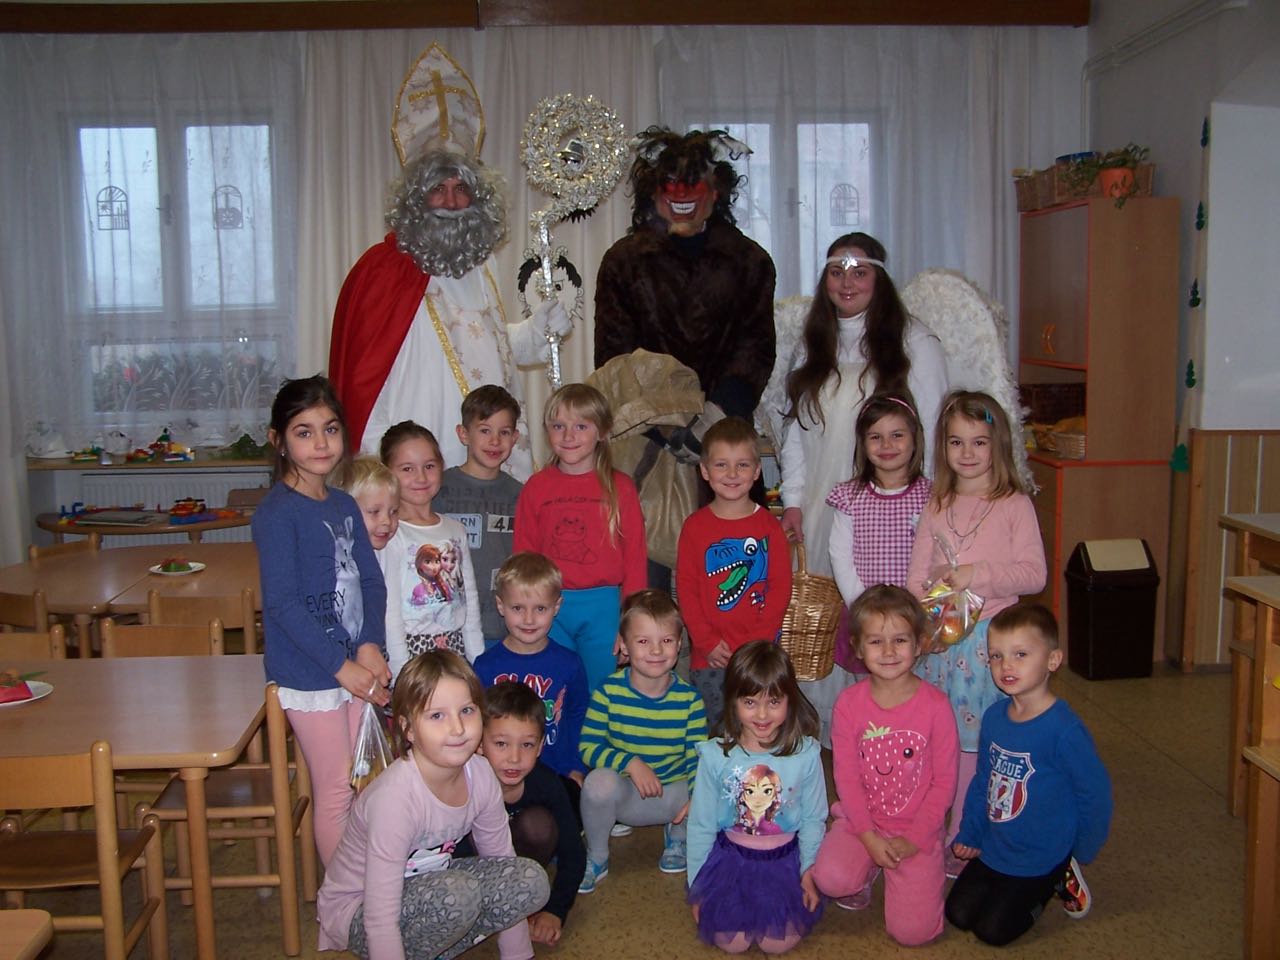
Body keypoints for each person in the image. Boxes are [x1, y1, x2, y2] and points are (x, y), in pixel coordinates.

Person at [328, 45, 570, 477]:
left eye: (462, 189)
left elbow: (487, 345)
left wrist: (535, 331)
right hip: (417, 442)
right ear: (415, 199)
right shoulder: (382, 270)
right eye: (438, 189)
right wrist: (372, 457)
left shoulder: (483, 266)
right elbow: (366, 377)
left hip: (486, 443)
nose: (452, 202)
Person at [316, 651, 549, 960]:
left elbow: (502, 861)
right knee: (458, 895)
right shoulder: (395, 800)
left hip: (430, 888)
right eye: (437, 716)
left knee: (528, 880)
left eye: (466, 710)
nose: (457, 728)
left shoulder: (481, 774)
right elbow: (380, 916)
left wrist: (518, 954)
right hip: (359, 910)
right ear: (408, 729)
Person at [252, 376, 390, 868]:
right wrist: (341, 666)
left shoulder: (344, 504)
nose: (321, 443)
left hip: (355, 666)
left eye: (330, 429)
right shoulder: (276, 514)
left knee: (366, 781)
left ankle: (371, 882)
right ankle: (343, 901)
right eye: (304, 432)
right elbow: (283, 605)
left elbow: (371, 583)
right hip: (310, 675)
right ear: (279, 440)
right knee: (335, 789)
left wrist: (370, 644)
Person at [907, 390, 1047, 874]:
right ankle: (934, 822)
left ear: (998, 444)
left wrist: (974, 575)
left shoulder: (1014, 505)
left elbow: (1034, 574)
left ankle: (966, 833)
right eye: (956, 442)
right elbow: (916, 574)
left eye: (979, 442)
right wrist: (919, 618)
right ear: (942, 447)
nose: (967, 453)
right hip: (939, 642)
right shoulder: (937, 501)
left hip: (990, 643)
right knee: (939, 737)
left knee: (975, 742)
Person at [778, 233, 948, 572]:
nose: (847, 283)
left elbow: (933, 427)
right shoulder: (812, 346)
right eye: (836, 272)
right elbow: (797, 432)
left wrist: (926, 509)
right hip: (821, 508)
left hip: (891, 510)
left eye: (859, 272)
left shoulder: (915, 343)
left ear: (879, 278)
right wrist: (792, 501)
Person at [946, 603, 1113, 945]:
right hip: (997, 846)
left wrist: (1082, 848)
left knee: (993, 931)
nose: (1006, 665)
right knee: (958, 913)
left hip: (1042, 853)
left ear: (1053, 660)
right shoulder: (994, 718)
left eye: (1020, 654)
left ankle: (1060, 876)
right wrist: (972, 832)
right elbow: (983, 781)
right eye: (996, 656)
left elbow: (1095, 794)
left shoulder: (1064, 730)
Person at [595, 127, 776, 429]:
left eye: (692, 182)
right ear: (654, 193)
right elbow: (614, 357)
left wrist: (718, 412)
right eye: (670, 183)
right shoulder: (623, 262)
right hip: (644, 428)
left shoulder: (750, 262)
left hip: (723, 429)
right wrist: (651, 419)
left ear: (715, 191)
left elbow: (755, 349)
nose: (681, 193)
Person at [811, 585, 958, 946]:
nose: (889, 651)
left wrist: (915, 840)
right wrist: (868, 836)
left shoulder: (937, 706)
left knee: (912, 934)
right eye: (876, 642)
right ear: (858, 648)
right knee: (830, 878)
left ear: (919, 644)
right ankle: (867, 867)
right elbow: (846, 779)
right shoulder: (848, 704)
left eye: (900, 640)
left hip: (916, 830)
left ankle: (915, 873)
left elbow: (944, 785)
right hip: (863, 823)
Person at [685, 640, 826, 955]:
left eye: (774, 701)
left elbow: (814, 818)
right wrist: (699, 888)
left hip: (784, 864)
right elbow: (701, 823)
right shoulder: (716, 755)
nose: (762, 714)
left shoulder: (805, 754)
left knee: (778, 943)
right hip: (730, 864)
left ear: (790, 700)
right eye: (750, 702)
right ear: (733, 701)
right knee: (732, 942)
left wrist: (808, 870)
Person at [513, 384, 647, 693]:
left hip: (603, 608)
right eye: (558, 426)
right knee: (553, 691)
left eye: (581, 426)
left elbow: (635, 559)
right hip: (549, 606)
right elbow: (523, 559)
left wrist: (632, 622)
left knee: (600, 693)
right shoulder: (536, 487)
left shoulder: (620, 487)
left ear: (602, 431)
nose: (568, 436)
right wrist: (525, 610)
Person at [577, 590, 706, 893]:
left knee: (704, 786)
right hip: (626, 798)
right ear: (624, 645)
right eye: (643, 641)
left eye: (666, 640)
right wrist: (630, 763)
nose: (656, 650)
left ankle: (678, 837)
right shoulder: (608, 692)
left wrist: (698, 798)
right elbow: (588, 746)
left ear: (679, 644)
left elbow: (697, 759)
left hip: (673, 801)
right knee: (597, 783)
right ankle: (597, 856)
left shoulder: (690, 701)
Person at [676, 416, 792, 728]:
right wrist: (705, 641)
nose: (731, 474)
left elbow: (780, 589)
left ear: (757, 471)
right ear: (704, 470)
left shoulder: (769, 527)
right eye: (721, 465)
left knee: (760, 728)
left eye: (742, 465)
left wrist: (758, 644)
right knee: (718, 733)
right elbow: (686, 590)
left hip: (759, 657)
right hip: (710, 657)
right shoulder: (694, 527)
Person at [464, 680, 587, 947]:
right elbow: (453, 856)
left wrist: (555, 911)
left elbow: (574, 854)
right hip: (478, 869)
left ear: (540, 746)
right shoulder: (466, 785)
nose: (514, 757)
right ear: (479, 743)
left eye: (527, 745)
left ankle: (523, 898)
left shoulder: (547, 784)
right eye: (501, 743)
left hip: (523, 864)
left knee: (539, 825)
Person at [825, 393, 931, 675]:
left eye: (897, 435)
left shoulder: (932, 496)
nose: (886, 445)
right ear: (863, 443)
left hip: (917, 615)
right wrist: (862, 607)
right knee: (870, 688)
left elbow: (939, 555)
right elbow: (840, 554)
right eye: (875, 437)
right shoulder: (850, 496)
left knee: (916, 686)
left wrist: (920, 610)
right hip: (866, 613)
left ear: (915, 439)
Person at [472, 553, 589, 804]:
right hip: (498, 777)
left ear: (556, 607)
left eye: (540, 609)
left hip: (556, 771)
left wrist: (576, 766)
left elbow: (578, 715)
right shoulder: (485, 666)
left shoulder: (569, 663)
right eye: (517, 608)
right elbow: (477, 724)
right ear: (500, 606)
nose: (528, 619)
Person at [380, 421, 483, 675]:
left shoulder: (455, 530)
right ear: (387, 473)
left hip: (455, 650)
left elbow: (469, 601)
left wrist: (479, 661)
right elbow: (390, 611)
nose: (421, 477)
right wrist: (401, 672)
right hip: (411, 653)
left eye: (429, 466)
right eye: (407, 469)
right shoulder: (391, 534)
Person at [435, 385, 524, 648]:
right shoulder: (437, 488)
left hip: (501, 628)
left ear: (515, 438)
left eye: (504, 432)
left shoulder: (521, 495)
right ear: (463, 434)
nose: (495, 441)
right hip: (447, 626)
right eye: (485, 430)